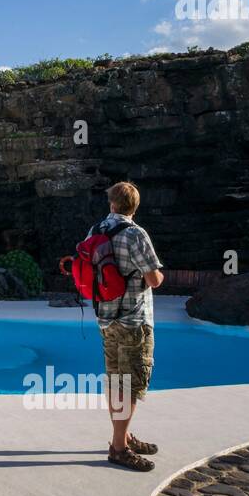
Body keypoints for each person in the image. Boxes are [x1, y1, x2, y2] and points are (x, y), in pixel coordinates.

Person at [91, 181, 165, 473]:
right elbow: (153, 280)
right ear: (134, 207)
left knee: (116, 381)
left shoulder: (96, 231)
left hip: (106, 319)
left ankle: (123, 435)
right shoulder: (135, 234)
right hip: (133, 321)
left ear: (111, 204)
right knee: (131, 384)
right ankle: (119, 448)